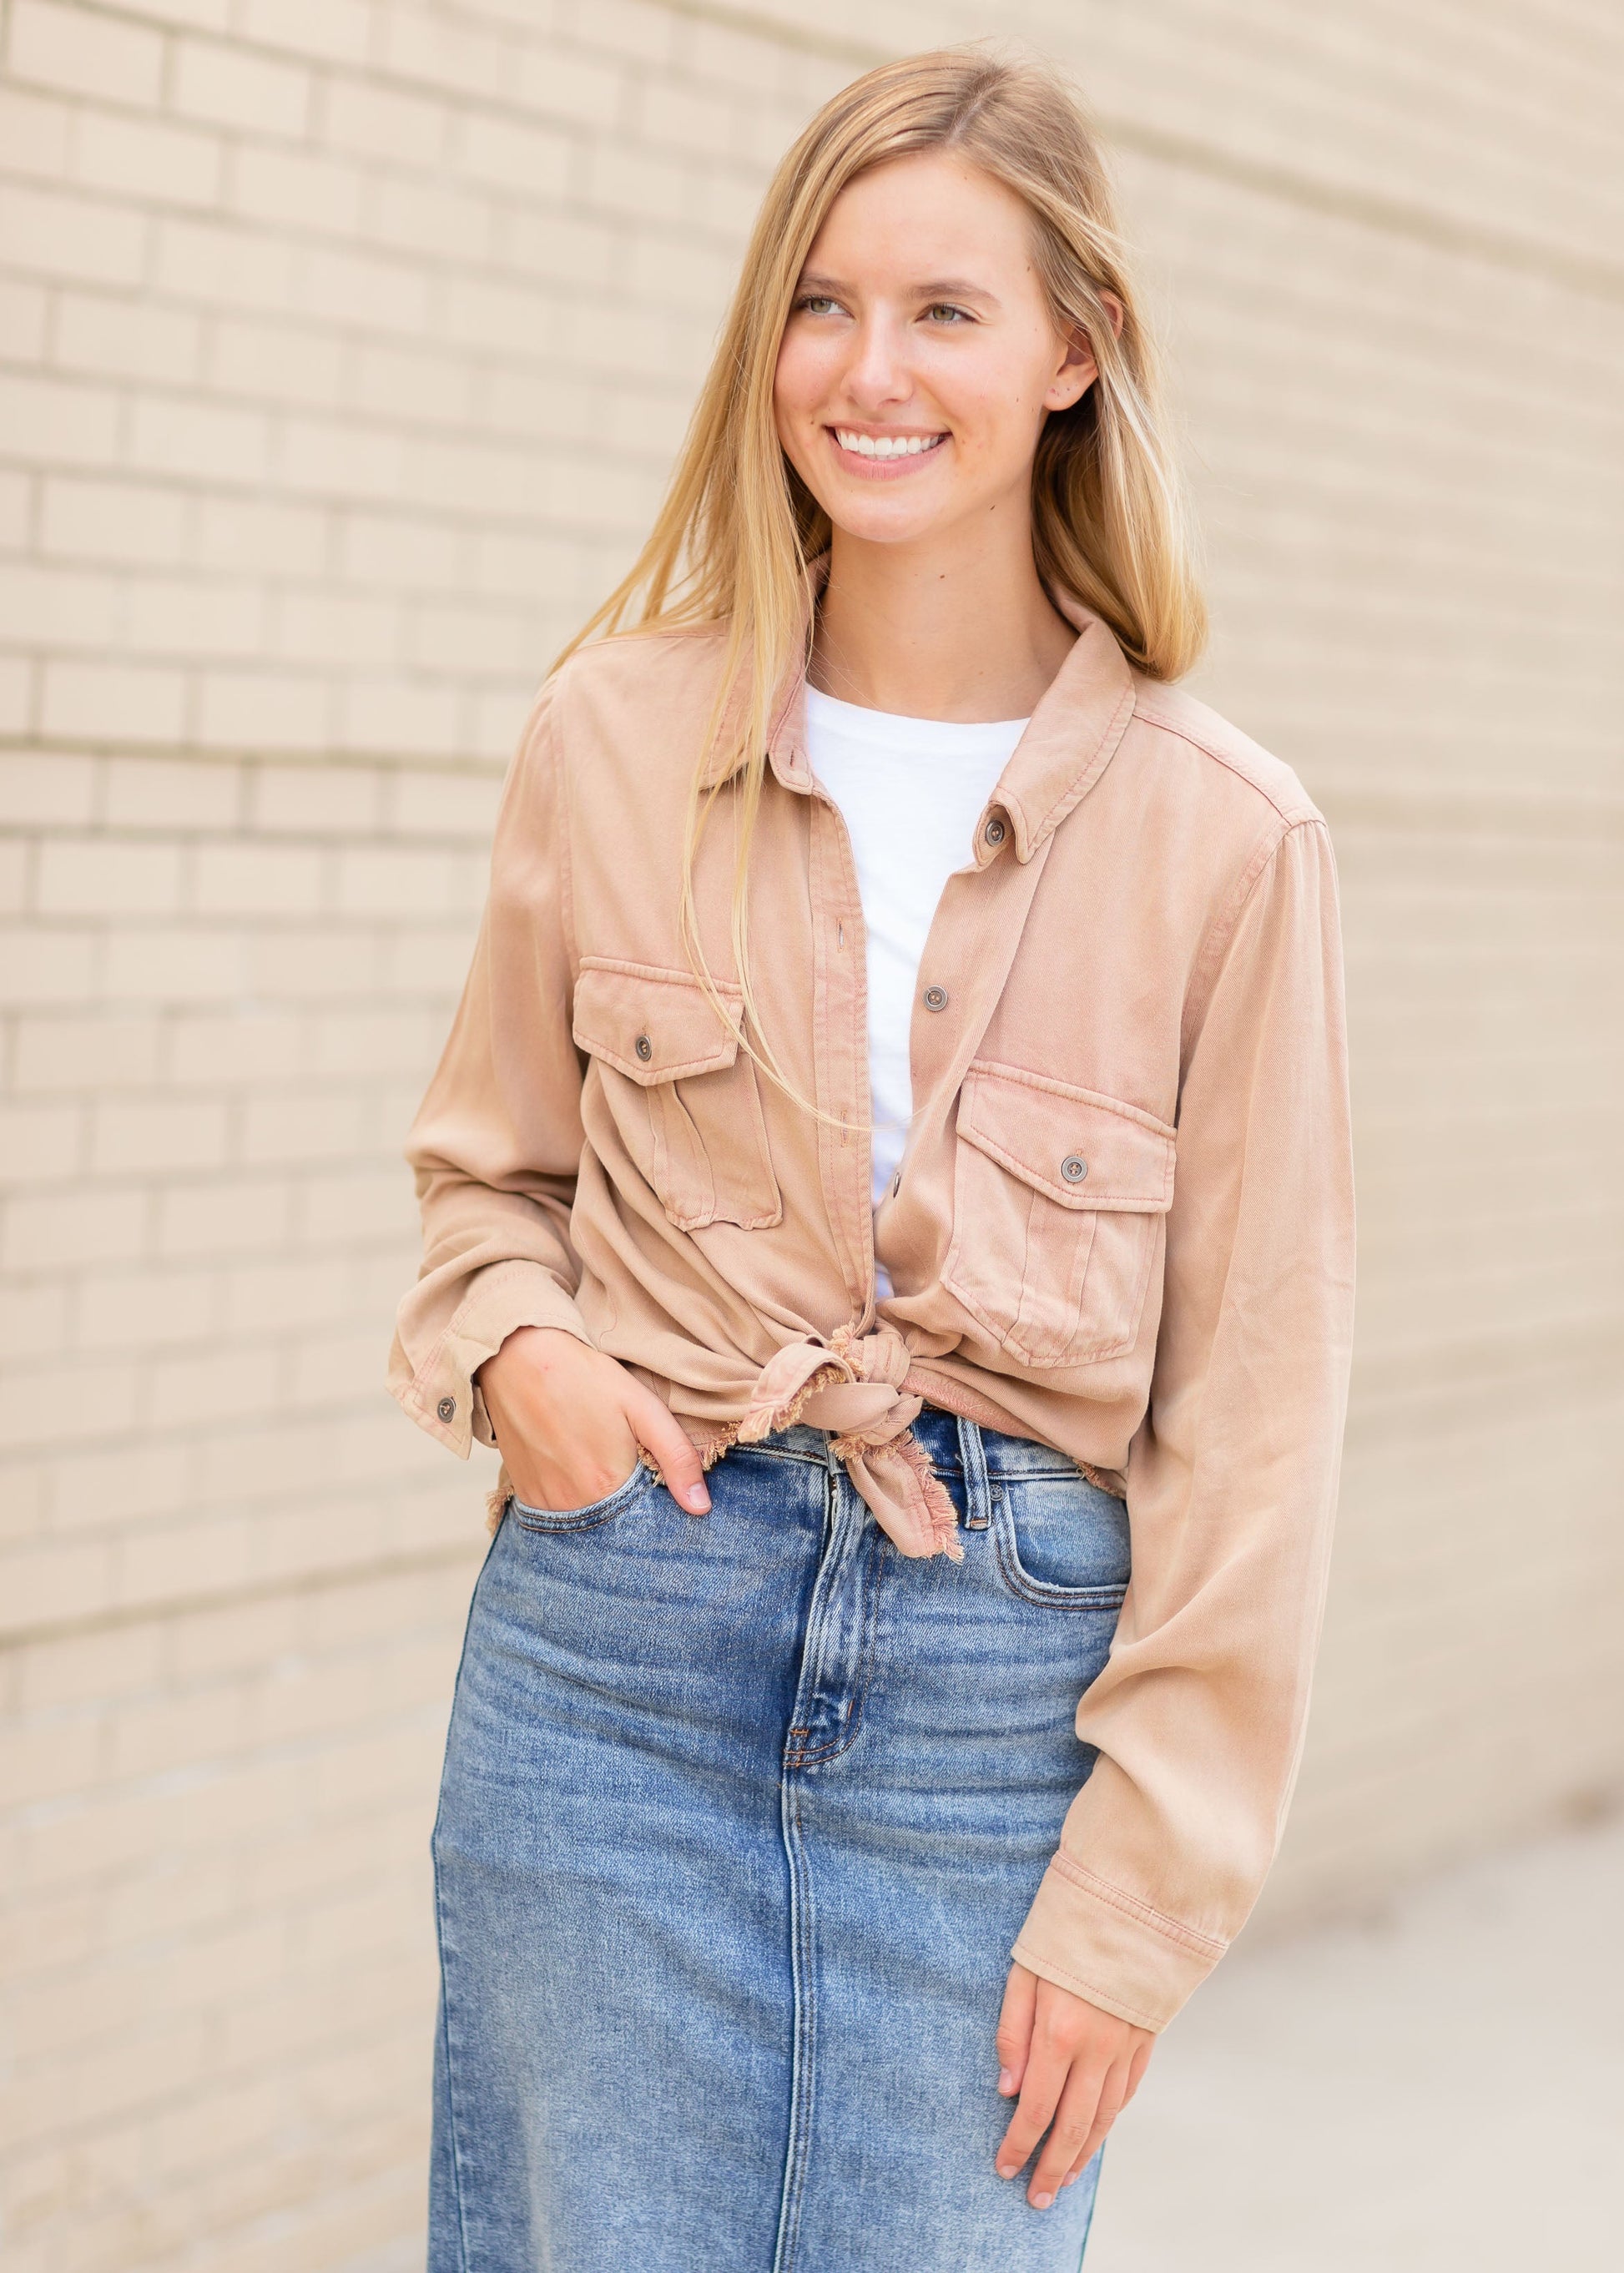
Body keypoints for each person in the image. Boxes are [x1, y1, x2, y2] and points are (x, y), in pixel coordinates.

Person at [389, 43, 1354, 2273]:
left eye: (943, 310)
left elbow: (1255, 1411)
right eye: (819, 304)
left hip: (990, 1717)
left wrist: (1144, 1887)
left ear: (1070, 354)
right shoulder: (614, 735)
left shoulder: (1228, 838)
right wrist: (520, 1357)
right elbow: (484, 1178)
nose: (866, 367)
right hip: (617, 1647)